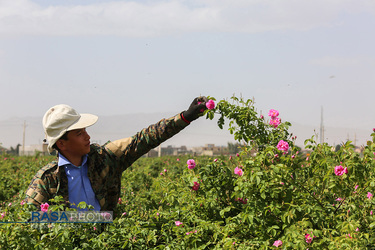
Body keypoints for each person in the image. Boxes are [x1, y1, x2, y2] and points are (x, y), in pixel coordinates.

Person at [25, 96, 208, 212]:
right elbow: (28, 222)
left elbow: (143, 140)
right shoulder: (46, 181)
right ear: (61, 143)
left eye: (85, 130)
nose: (87, 136)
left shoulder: (106, 158)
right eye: (79, 133)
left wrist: (185, 117)